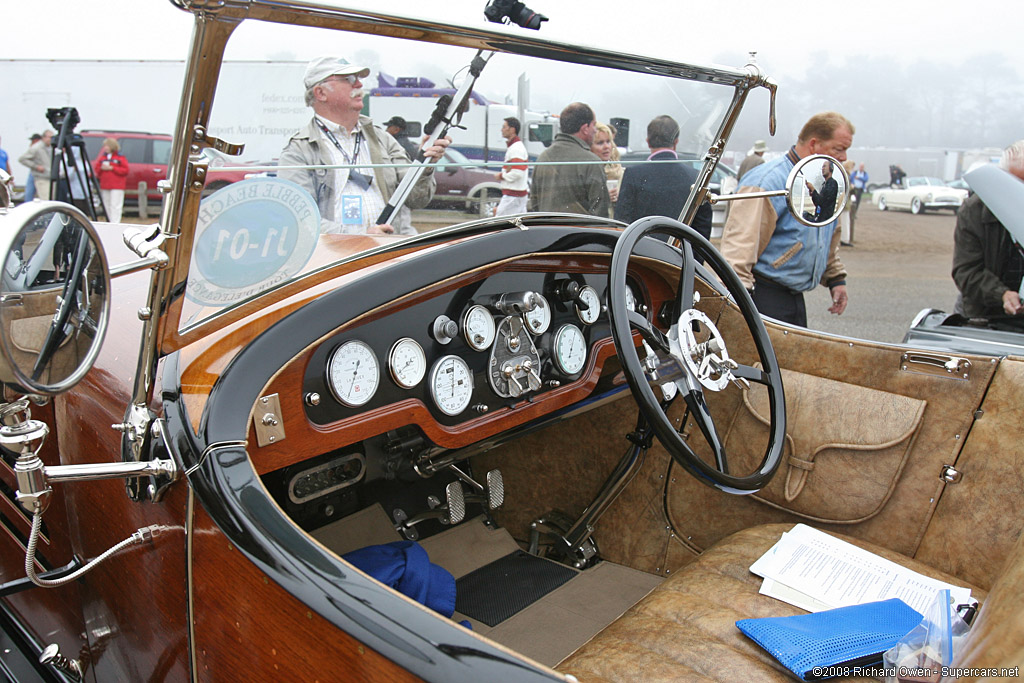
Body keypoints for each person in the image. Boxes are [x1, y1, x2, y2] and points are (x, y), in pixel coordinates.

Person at [279, 56, 449, 235]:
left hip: (388, 254)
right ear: (320, 93)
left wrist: (425, 162)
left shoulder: (383, 139)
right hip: (336, 259)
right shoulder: (298, 151)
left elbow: (417, 199)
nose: (359, 85)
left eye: (359, 79)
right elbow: (299, 220)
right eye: (349, 79)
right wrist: (362, 237)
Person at [720, 111, 854, 327]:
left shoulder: (825, 182)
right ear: (814, 144)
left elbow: (827, 234)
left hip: (794, 300)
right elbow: (738, 251)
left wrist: (835, 279)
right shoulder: (766, 183)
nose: (845, 157)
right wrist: (738, 308)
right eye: (839, 149)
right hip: (763, 298)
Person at [951, 140, 1024, 320]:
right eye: (1016, 183)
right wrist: (1002, 294)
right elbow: (966, 271)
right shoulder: (974, 211)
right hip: (981, 316)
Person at [614, 115, 713, 240]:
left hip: (640, 253)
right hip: (681, 255)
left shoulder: (633, 175)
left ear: (648, 141)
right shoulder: (695, 177)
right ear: (676, 141)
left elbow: (622, 222)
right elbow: (702, 227)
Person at [527, 102, 609, 217]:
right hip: (579, 233)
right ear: (585, 128)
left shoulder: (543, 158)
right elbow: (600, 211)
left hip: (547, 231)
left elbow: (534, 205)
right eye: (593, 125)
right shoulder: (591, 162)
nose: (595, 130)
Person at [494, 116, 528, 216]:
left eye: (504, 127)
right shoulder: (515, 147)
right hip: (515, 195)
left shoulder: (516, 149)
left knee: (499, 224)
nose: (501, 130)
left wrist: (501, 176)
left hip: (513, 196)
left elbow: (518, 173)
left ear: (512, 130)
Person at [93, 137, 130, 222]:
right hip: (105, 185)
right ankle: (108, 221)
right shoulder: (103, 158)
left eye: (107, 146)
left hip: (117, 186)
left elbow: (125, 170)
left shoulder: (120, 158)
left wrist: (112, 168)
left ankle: (115, 222)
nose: (105, 148)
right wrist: (102, 168)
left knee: (115, 205)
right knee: (106, 205)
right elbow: (97, 169)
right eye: (105, 146)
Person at [590, 122, 622, 217]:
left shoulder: (620, 172)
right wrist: (604, 197)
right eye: (600, 143)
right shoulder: (587, 173)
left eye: (608, 142)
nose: (606, 147)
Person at [19, 129, 54, 201]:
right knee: (45, 199)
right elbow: (22, 159)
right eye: (49, 137)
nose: (51, 139)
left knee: (51, 200)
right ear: (44, 137)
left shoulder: (51, 147)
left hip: (50, 177)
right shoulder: (36, 147)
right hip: (41, 177)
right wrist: (36, 166)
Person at [22, 134, 42, 202]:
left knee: (32, 193)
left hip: (40, 173)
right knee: (29, 194)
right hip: (34, 171)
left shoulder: (39, 148)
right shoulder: (35, 148)